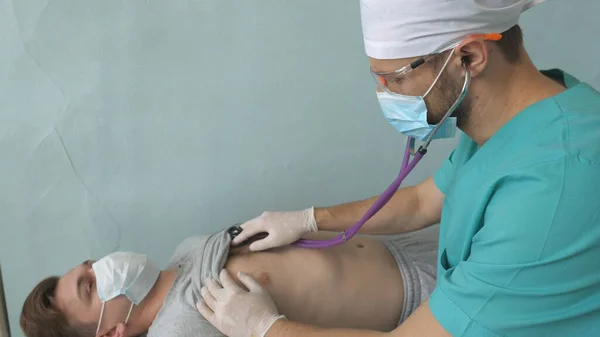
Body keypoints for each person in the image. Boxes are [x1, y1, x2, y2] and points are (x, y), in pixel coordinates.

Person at [196, 0, 600, 337]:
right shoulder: (526, 118)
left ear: (469, 57)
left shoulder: (554, 184)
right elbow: (424, 201)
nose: (384, 95)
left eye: (394, 79)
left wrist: (266, 328)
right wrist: (310, 219)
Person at [19, 223, 439, 337]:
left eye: (89, 266)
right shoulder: (179, 330)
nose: (99, 268)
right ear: (110, 334)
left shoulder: (182, 253)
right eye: (89, 288)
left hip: (407, 247)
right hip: (422, 308)